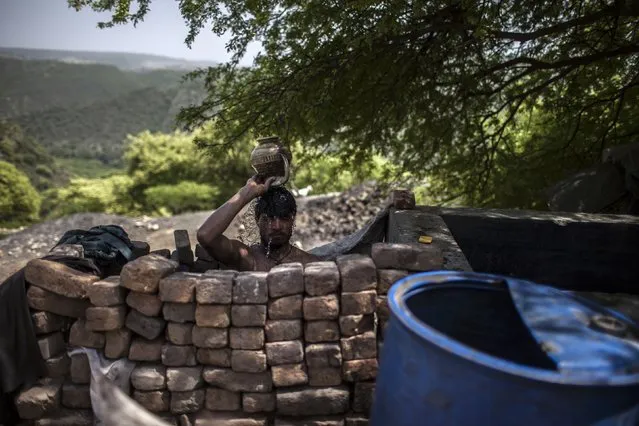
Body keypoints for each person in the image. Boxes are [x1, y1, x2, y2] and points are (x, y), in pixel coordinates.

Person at [197, 175, 319, 271]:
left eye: (284, 218)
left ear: (293, 219)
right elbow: (206, 235)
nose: (276, 226)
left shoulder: (310, 264)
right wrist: (246, 192)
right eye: (268, 218)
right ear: (257, 219)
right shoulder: (247, 259)